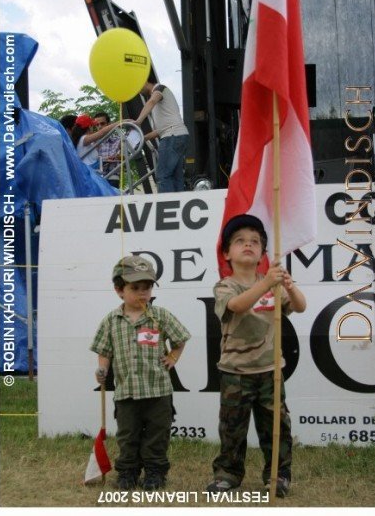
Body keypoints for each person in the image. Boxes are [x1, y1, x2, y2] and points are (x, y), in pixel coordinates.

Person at [206, 214, 306, 498]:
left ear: (263, 252)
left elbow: (300, 306)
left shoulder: (272, 282)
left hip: (271, 370)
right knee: (232, 429)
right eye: (239, 241)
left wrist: (287, 284)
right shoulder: (226, 286)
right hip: (235, 372)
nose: (248, 245)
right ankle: (227, 475)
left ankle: (278, 475)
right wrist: (266, 285)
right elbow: (237, 306)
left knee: (276, 427)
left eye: (255, 242)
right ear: (227, 253)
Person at [90, 255, 191, 491]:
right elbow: (104, 350)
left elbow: (181, 339)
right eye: (135, 288)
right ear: (119, 290)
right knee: (128, 436)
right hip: (126, 393)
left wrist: (173, 357)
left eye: (147, 287)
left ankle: (155, 472)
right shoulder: (111, 321)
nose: (142, 293)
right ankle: (127, 472)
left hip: (158, 391)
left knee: (157, 435)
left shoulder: (160, 316)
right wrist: (102, 368)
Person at [131, 79, 189, 193]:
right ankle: (178, 204)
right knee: (176, 177)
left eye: (138, 87)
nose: (138, 92)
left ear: (145, 81)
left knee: (162, 176)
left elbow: (152, 101)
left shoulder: (159, 88)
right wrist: (142, 138)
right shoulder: (164, 102)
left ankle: (167, 204)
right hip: (177, 135)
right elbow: (160, 130)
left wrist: (138, 121)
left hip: (171, 136)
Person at [93, 111, 121, 187]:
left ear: (109, 124)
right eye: (97, 125)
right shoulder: (92, 141)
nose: (99, 126)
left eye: (102, 123)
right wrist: (104, 159)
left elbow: (125, 154)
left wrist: (118, 157)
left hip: (112, 176)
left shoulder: (118, 139)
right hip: (96, 177)